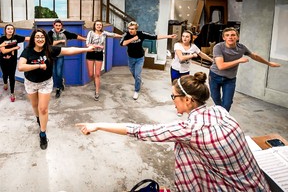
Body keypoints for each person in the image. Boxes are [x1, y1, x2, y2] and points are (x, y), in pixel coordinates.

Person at [76, 72, 270, 191]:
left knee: (182, 146)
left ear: (188, 100)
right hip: (258, 185)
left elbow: (140, 131)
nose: (171, 100)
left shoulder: (189, 129)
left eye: (173, 96)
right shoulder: (219, 111)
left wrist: (98, 125)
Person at [18, 28, 97, 150]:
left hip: (46, 83)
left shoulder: (50, 50)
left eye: (42, 37)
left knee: (43, 109)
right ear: (33, 39)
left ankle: (43, 133)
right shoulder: (28, 51)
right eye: (37, 36)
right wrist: (39, 65)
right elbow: (21, 67)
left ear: (46, 39)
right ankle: (38, 119)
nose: (40, 39)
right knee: (35, 106)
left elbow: (69, 50)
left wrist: (86, 49)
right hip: (31, 83)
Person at [209, 27, 281, 112]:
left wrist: (269, 63)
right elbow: (221, 66)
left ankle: (223, 120)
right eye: (227, 35)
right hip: (215, 76)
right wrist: (239, 60)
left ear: (237, 37)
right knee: (216, 99)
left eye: (233, 35)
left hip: (230, 79)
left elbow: (254, 56)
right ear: (224, 38)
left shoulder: (241, 48)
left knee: (227, 103)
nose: (230, 37)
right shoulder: (218, 47)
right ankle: (220, 114)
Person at [120, 21, 177, 100]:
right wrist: (133, 38)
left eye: (132, 29)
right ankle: (139, 81)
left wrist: (169, 36)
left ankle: (136, 91)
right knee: (134, 74)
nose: (130, 30)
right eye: (129, 29)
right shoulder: (126, 34)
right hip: (131, 58)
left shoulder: (141, 34)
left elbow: (155, 37)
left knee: (137, 75)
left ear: (136, 29)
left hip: (140, 58)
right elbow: (122, 43)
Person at [48, 19, 86, 98]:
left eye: (59, 25)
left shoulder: (65, 32)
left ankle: (58, 88)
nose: (58, 27)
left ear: (61, 26)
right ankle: (60, 82)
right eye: (56, 25)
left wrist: (86, 39)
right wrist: (60, 41)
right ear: (54, 26)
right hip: (51, 55)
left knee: (58, 72)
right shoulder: (50, 33)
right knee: (53, 73)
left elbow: (75, 36)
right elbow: (50, 43)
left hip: (61, 54)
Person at [86, 20, 123, 101]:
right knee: (91, 74)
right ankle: (95, 82)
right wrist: (98, 46)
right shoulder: (91, 33)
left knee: (98, 74)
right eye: (97, 25)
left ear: (102, 26)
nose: (99, 26)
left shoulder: (104, 33)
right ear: (94, 26)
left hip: (99, 54)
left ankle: (97, 92)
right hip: (90, 53)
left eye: (100, 25)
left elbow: (113, 35)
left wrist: (122, 36)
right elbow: (88, 44)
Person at [0, 24, 30, 102]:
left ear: (13, 31)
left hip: (12, 61)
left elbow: (27, 38)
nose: (10, 30)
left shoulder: (16, 38)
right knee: (5, 74)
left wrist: (37, 38)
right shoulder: (2, 39)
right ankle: (5, 82)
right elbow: (3, 51)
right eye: (8, 29)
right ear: (5, 30)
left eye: (11, 29)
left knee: (12, 76)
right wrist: (14, 48)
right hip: (3, 60)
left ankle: (12, 93)